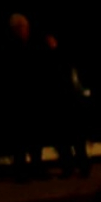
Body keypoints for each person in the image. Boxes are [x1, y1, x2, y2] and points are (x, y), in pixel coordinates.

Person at [39, 32, 92, 177]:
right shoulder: (56, 58)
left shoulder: (57, 59)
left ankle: (78, 167)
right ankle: (76, 167)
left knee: (72, 140)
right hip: (63, 103)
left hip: (66, 103)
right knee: (69, 140)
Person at [1, 13, 43, 180]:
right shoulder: (10, 49)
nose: (26, 31)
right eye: (23, 27)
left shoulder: (32, 46)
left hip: (34, 98)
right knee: (20, 139)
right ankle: (21, 171)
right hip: (18, 100)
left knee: (35, 137)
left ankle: (36, 168)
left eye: (26, 27)